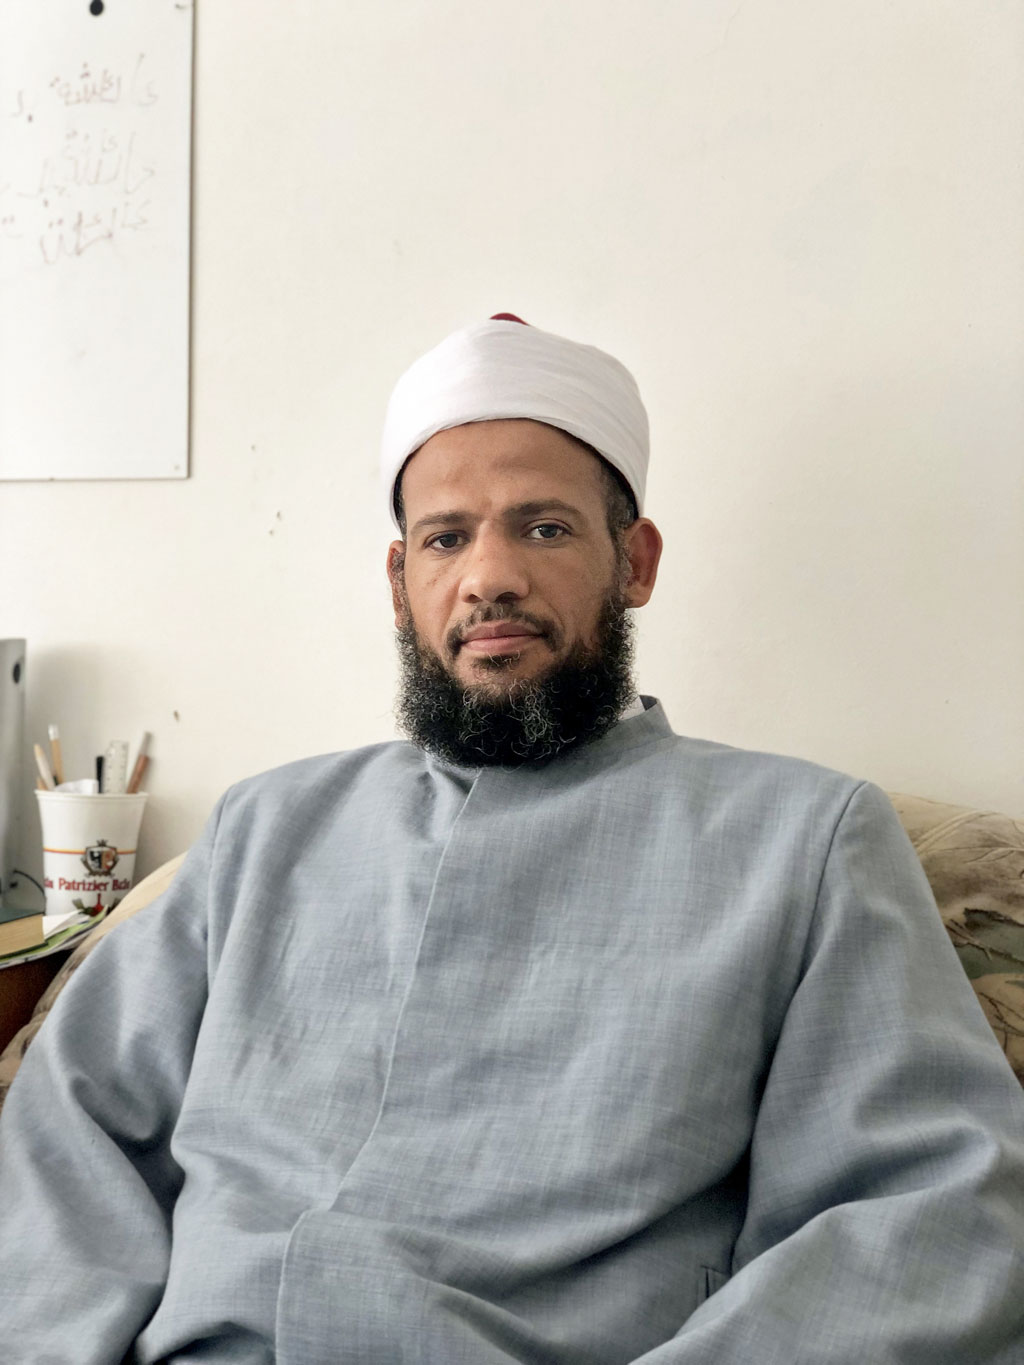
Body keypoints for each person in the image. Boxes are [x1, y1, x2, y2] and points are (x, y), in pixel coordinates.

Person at [2, 316, 1023, 1364]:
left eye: (542, 528)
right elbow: (69, 1133)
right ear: (399, 582)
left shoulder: (803, 840)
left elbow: (932, 1211)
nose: (489, 576)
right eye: (446, 538)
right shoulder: (265, 829)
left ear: (634, 562)